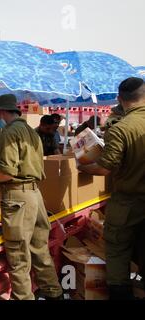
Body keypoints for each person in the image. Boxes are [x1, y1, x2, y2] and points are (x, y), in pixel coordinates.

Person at [0, 94, 63, 300]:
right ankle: (53, 292)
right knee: (40, 248)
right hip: (35, 195)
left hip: (17, 198)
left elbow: (7, 174)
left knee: (18, 254)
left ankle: (23, 297)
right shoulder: (31, 132)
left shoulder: (9, 133)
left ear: (2, 112)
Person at [78, 77, 145, 300]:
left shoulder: (122, 129)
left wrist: (83, 167)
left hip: (127, 203)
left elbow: (105, 169)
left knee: (117, 254)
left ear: (120, 99)